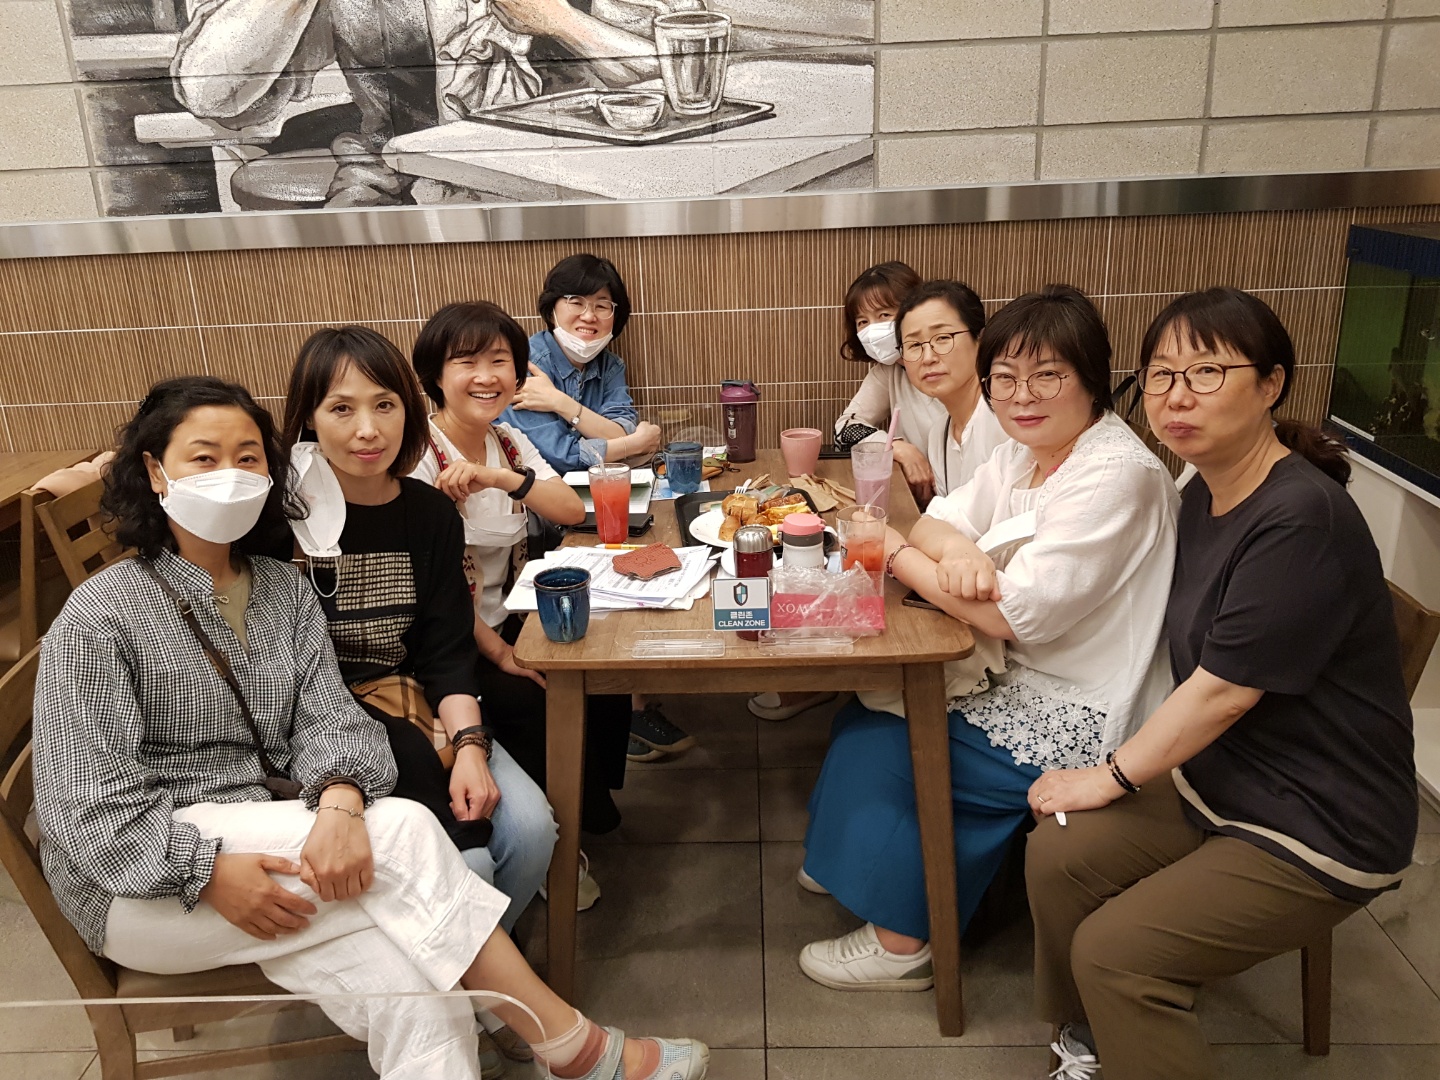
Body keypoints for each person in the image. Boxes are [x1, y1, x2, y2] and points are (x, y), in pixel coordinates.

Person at [31, 375, 709, 1080]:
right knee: (406, 835)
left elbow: (332, 716)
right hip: (142, 888)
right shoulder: (102, 615)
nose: (229, 475)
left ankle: (529, 1033)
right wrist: (206, 873)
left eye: (247, 457)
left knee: (421, 994)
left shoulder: (282, 589)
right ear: (155, 471)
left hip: (272, 836)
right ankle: (574, 1047)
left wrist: (339, 799)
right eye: (204, 458)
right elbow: (81, 812)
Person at [1025, 288, 1417, 1080]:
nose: (1177, 396)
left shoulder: (1299, 518)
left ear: (1271, 385)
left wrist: (1111, 775)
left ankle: (1121, 1005)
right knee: (1058, 854)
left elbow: (1225, 690)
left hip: (1319, 818)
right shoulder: (1202, 490)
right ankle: (1095, 1039)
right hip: (1227, 778)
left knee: (1116, 951)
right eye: (1161, 375)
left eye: (1206, 372)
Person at [796, 285, 1178, 993]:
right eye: (1006, 378)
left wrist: (893, 553)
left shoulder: (1115, 474)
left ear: (1092, 377)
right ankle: (852, 859)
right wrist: (957, 552)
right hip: (1018, 665)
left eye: (1047, 376)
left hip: (1084, 700)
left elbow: (1013, 615)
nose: (1022, 396)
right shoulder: (1027, 452)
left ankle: (905, 941)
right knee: (863, 713)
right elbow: (938, 520)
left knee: (896, 748)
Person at [278, 324, 558, 931]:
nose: (368, 430)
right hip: (324, 731)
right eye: (341, 409)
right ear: (308, 420)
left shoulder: (428, 512)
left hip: (417, 702)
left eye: (385, 405)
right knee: (471, 862)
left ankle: (479, 965)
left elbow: (445, 649)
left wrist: (470, 747)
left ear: (408, 409)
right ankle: (470, 973)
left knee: (533, 830)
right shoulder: (281, 523)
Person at [408, 301, 630, 883]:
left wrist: (500, 477)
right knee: (530, 697)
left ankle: (587, 813)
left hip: (510, 613)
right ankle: (557, 850)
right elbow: (433, 593)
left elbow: (568, 508)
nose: (486, 377)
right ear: (435, 375)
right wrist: (501, 651)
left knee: (604, 674)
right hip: (452, 636)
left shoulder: (506, 440)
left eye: (500, 361)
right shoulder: (419, 457)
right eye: (467, 363)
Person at [496, 254, 688, 767]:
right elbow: (558, 457)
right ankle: (617, 711)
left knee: (654, 550)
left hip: (596, 498)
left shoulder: (609, 364)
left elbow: (621, 428)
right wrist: (630, 441)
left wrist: (564, 406)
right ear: (551, 308)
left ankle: (628, 703)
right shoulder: (524, 364)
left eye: (603, 305)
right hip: (541, 514)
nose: (589, 316)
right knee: (619, 569)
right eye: (576, 302)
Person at [749, 261, 944, 725]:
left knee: (863, 568)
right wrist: (899, 447)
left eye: (885, 315)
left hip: (951, 510)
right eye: (862, 321)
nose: (873, 330)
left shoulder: (954, 376)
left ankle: (873, 674)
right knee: (846, 561)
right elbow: (847, 427)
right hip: (924, 505)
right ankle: (828, 670)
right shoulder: (889, 372)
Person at [891, 279, 1008, 498]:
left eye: (943, 338)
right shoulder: (939, 435)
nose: (928, 357)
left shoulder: (1007, 417)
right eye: (914, 345)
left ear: (981, 339)